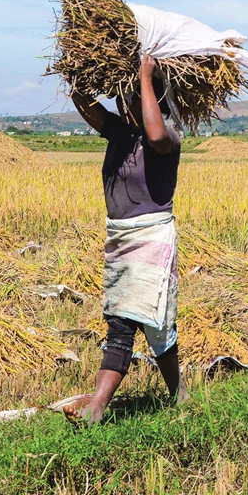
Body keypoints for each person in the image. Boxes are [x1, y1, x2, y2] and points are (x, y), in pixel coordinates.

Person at [63, 54, 187, 423]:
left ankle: (104, 405)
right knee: (137, 322)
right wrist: (76, 72)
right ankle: (172, 394)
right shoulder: (119, 133)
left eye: (129, 96)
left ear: (152, 99)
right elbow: (85, 104)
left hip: (150, 239)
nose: (121, 103)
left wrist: (146, 77)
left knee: (139, 323)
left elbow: (155, 132)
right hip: (120, 239)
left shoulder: (166, 139)